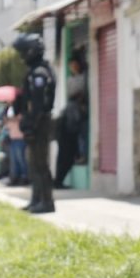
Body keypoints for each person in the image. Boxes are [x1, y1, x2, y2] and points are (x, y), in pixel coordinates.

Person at [13, 33, 57, 213]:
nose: (22, 56)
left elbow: (39, 104)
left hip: (40, 122)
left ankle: (46, 202)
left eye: (24, 52)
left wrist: (31, 123)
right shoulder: (34, 72)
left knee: (40, 163)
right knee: (33, 164)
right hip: (34, 121)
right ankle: (36, 199)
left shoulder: (40, 73)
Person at [54, 56, 87, 189]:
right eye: (71, 65)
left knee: (67, 154)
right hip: (69, 129)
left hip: (72, 127)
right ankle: (59, 180)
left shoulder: (84, 78)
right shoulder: (70, 81)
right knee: (66, 156)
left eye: (74, 65)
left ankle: (59, 180)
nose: (73, 68)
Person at [5, 105, 28, 186]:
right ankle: (15, 177)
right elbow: (7, 126)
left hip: (20, 139)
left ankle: (24, 177)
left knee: (21, 159)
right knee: (14, 161)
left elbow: (19, 121)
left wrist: (11, 119)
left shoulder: (21, 116)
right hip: (13, 139)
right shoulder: (10, 117)